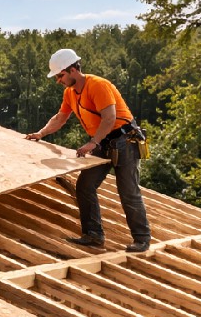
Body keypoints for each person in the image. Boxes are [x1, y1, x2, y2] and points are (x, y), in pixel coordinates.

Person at [25, 48, 152, 253]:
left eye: (60, 75)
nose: (58, 80)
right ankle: (93, 235)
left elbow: (109, 118)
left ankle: (142, 238)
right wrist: (40, 134)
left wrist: (93, 143)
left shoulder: (98, 85)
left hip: (124, 141)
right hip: (102, 142)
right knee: (85, 185)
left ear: (73, 69)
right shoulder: (69, 93)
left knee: (128, 191)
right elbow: (60, 118)